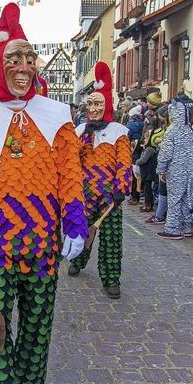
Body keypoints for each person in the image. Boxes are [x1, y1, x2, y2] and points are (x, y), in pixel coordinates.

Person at [0, 3, 87, 384]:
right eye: (14, 58)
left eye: (29, 58)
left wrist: (74, 222)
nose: (23, 66)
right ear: (0, 63)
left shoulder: (57, 116)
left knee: (37, 329)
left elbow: (70, 174)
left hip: (42, 241)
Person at [68, 61, 132, 299]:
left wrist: (121, 187)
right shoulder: (81, 130)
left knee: (111, 240)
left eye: (98, 104)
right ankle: (78, 260)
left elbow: (124, 163)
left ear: (106, 105)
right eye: (90, 104)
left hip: (109, 196)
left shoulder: (119, 132)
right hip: (85, 194)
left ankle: (111, 278)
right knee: (82, 232)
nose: (93, 109)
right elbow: (72, 160)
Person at [155, 94, 193, 239]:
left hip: (176, 169)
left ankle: (173, 229)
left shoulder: (172, 130)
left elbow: (166, 153)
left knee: (175, 198)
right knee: (188, 197)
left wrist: (161, 169)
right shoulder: (190, 131)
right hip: (192, 168)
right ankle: (187, 227)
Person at [135, 127, 158, 212]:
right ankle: (147, 203)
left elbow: (143, 160)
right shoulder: (147, 148)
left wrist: (137, 161)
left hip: (149, 172)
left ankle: (149, 204)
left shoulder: (150, 149)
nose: (144, 140)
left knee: (147, 190)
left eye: (146, 138)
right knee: (146, 189)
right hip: (146, 172)